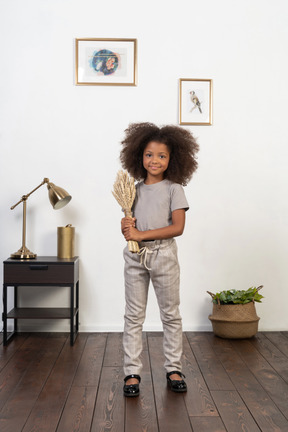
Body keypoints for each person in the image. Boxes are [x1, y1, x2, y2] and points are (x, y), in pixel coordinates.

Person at [119, 122, 199, 397]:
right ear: (139, 156)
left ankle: (173, 369)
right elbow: (131, 227)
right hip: (135, 257)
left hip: (163, 254)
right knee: (133, 315)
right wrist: (127, 228)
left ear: (172, 160)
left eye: (161, 156)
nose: (154, 160)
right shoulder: (133, 191)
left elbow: (178, 227)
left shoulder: (174, 189)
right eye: (149, 154)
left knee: (170, 314)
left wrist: (141, 233)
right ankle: (132, 372)